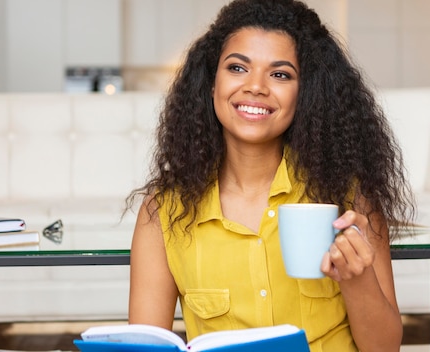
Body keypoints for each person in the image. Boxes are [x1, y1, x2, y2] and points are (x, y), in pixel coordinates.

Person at [127, 0, 415, 351]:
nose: (256, 87)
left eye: (280, 74)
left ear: (304, 94)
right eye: (237, 68)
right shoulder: (164, 213)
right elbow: (144, 346)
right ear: (211, 85)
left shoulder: (349, 199)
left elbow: (385, 349)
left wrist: (358, 280)